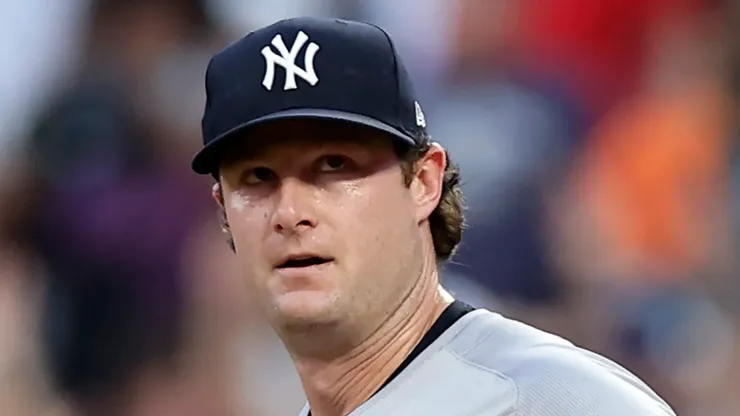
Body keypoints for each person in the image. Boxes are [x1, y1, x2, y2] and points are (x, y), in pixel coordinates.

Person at [190, 17, 677, 416]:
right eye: (257, 177)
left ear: (424, 183)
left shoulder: (553, 401)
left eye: (334, 166)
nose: (290, 212)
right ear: (224, 213)